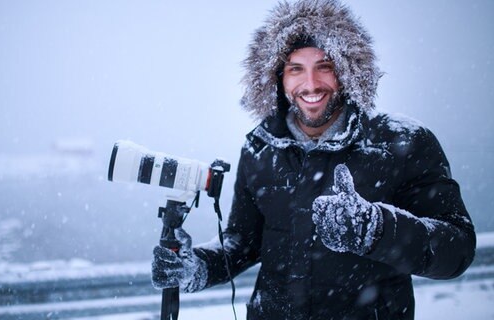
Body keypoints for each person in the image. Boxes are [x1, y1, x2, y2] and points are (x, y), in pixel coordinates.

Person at [151, 0, 476, 319]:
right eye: (295, 69)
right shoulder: (260, 148)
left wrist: (378, 230)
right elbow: (243, 241)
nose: (310, 84)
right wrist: (199, 266)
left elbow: (457, 248)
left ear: (347, 71)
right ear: (277, 77)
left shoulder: (401, 141)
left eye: (325, 66)